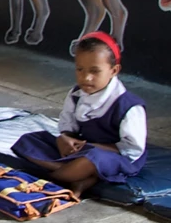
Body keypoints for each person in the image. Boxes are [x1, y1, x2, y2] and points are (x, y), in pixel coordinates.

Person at [10, 33, 146, 197]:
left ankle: (51, 179)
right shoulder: (76, 94)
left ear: (114, 70)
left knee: (92, 159)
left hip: (113, 157)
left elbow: (132, 150)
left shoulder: (128, 106)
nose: (86, 77)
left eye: (95, 71)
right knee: (28, 141)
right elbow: (68, 125)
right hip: (80, 150)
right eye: (80, 69)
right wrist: (65, 139)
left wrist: (92, 147)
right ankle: (80, 177)